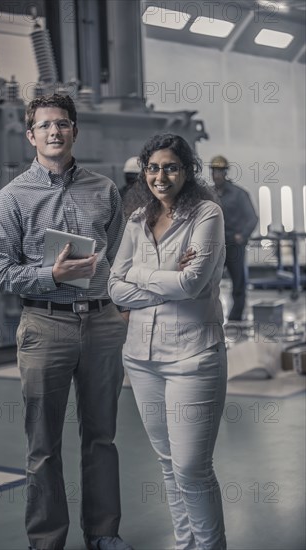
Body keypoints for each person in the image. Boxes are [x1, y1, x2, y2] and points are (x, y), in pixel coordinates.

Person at [0, 93, 133, 550]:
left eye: (64, 123)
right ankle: (46, 541)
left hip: (102, 324)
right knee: (43, 444)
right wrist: (51, 274)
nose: (55, 131)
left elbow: (116, 253)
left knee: (102, 436)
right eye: (46, 125)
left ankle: (104, 533)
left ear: (75, 131)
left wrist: (120, 301)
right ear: (31, 135)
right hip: (45, 326)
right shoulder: (11, 197)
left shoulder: (104, 189)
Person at [108, 134, 228, 550]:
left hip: (193, 356)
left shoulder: (206, 214)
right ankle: (185, 544)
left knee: (192, 467)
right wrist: (162, 279)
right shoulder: (137, 218)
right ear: (145, 173)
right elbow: (113, 287)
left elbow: (192, 284)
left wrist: (138, 273)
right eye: (154, 168)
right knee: (167, 464)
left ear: (187, 171)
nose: (161, 175)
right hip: (141, 357)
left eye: (171, 167)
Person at [210, 155, 258, 321]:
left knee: (238, 283)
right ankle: (210, 315)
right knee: (208, 281)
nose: (216, 175)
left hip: (234, 245)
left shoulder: (239, 194)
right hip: (215, 245)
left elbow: (252, 218)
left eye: (219, 171)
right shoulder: (208, 194)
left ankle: (236, 318)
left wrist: (242, 235)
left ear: (225, 172)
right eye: (214, 171)